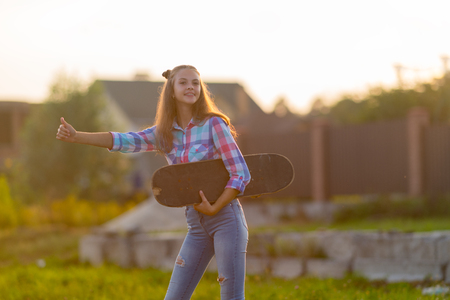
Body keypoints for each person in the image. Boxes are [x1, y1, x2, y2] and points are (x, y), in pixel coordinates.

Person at [56, 65, 251, 300]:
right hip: (197, 224)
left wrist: (216, 206)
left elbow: (240, 173)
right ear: (171, 90)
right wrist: (77, 136)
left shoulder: (213, 125)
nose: (191, 87)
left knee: (231, 297)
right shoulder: (164, 133)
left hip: (225, 219)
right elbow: (124, 140)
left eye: (195, 83)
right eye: (183, 82)